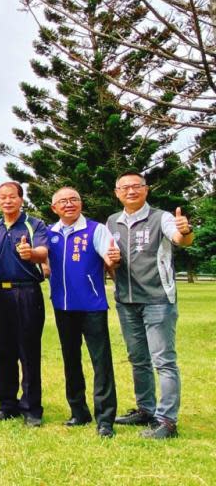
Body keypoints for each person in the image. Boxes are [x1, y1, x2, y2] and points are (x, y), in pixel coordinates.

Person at [107, 171, 194, 439]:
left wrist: (185, 230)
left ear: (146, 189)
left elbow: (180, 240)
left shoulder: (162, 218)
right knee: (138, 360)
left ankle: (167, 421)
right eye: (125, 187)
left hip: (157, 299)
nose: (131, 191)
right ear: (117, 192)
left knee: (163, 360)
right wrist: (112, 261)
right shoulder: (112, 221)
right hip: (126, 300)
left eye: (137, 186)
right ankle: (146, 409)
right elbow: (112, 262)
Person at [47, 187, 120, 438]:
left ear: (81, 203)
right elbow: (46, 266)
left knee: (101, 362)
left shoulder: (95, 229)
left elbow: (110, 259)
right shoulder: (50, 234)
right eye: (63, 201)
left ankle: (105, 418)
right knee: (70, 360)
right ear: (54, 207)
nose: (69, 204)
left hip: (92, 305)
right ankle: (78, 411)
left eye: (74, 200)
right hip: (63, 306)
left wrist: (113, 259)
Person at [0, 181, 48, 427]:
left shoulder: (34, 225)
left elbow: (43, 252)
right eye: (3, 197)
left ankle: (32, 408)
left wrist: (30, 253)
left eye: (13, 197)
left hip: (27, 293)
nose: (7, 201)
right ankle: (7, 404)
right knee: (2, 352)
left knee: (28, 351)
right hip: (1, 294)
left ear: (21, 199)